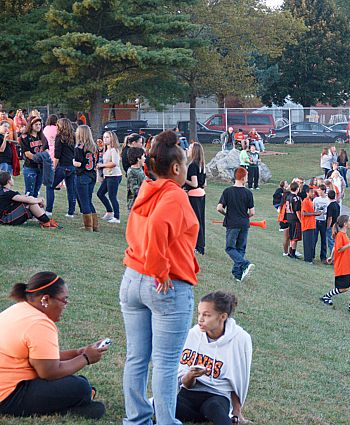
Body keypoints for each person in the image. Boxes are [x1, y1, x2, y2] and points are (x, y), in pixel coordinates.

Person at [120, 130, 200, 425]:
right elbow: (156, 228)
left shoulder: (147, 188)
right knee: (166, 363)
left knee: (137, 357)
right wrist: (160, 270)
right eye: (186, 164)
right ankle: (166, 421)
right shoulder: (175, 195)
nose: (187, 169)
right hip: (164, 285)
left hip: (132, 279)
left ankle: (137, 419)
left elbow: (142, 228)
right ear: (176, 168)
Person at [0, 272, 107, 419]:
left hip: (7, 387)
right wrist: (85, 358)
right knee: (81, 387)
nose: (65, 305)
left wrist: (77, 352)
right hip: (8, 396)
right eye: (64, 300)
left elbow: (41, 358)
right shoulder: (40, 323)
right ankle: (71, 405)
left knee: (79, 383)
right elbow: (49, 372)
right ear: (45, 299)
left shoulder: (19, 309)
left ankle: (76, 400)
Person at [176, 291, 252, 425]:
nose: (200, 319)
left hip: (217, 396)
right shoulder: (193, 334)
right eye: (199, 313)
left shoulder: (240, 339)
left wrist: (237, 411)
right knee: (163, 408)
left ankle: (212, 417)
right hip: (189, 394)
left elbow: (239, 379)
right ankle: (201, 417)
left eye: (206, 315)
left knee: (215, 409)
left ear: (223, 316)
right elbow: (184, 383)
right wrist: (191, 376)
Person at [217, 167, 255, 282]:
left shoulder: (227, 191)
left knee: (230, 247)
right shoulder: (248, 193)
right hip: (244, 224)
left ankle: (245, 264)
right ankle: (237, 275)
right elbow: (252, 212)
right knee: (240, 249)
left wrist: (227, 214)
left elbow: (219, 208)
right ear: (243, 178)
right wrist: (245, 218)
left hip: (232, 223)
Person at [321, 215, 350, 314]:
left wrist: (331, 256)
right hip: (342, 265)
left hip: (349, 265)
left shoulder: (344, 234)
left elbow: (334, 247)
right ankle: (326, 296)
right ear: (345, 224)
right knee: (343, 289)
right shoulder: (340, 235)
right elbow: (339, 248)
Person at [45, 118, 77, 218]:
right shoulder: (73, 137)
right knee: (71, 190)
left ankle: (49, 210)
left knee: (50, 186)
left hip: (62, 166)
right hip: (71, 167)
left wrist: (53, 168)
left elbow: (57, 155)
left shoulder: (59, 138)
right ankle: (71, 212)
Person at [73, 125, 99, 231]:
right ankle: (95, 225)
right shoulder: (94, 146)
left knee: (84, 201)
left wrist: (72, 162)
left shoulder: (79, 147)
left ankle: (88, 226)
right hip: (92, 175)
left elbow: (78, 163)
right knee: (88, 200)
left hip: (82, 175)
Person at [184, 142, 207, 255]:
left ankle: (197, 246)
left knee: (194, 222)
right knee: (200, 220)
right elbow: (204, 183)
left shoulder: (193, 165)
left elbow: (194, 183)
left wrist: (183, 179)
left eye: (190, 148)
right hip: (201, 194)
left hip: (194, 195)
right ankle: (200, 245)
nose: (188, 149)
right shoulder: (202, 164)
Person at [96, 130, 122, 224]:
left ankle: (117, 217)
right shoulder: (105, 150)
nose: (105, 139)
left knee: (112, 196)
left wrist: (102, 165)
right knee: (100, 193)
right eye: (104, 137)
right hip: (108, 176)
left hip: (114, 176)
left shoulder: (114, 150)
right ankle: (109, 211)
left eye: (107, 137)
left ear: (112, 138)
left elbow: (114, 163)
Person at [19, 117, 48, 198]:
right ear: (31, 125)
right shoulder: (24, 137)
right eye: (36, 124)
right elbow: (27, 154)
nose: (38, 126)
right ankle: (27, 210)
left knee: (36, 192)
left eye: (40, 124)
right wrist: (40, 158)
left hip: (41, 167)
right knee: (29, 192)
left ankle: (34, 210)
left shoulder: (42, 136)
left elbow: (47, 150)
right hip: (30, 167)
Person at [301, 186, 320, 262]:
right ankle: (308, 259)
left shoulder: (310, 201)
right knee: (308, 243)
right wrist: (314, 214)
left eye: (313, 192)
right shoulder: (305, 201)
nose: (313, 194)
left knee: (311, 242)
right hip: (307, 225)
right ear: (307, 193)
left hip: (312, 224)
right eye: (311, 192)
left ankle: (310, 258)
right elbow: (304, 213)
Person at [126, 147, 146, 212]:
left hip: (143, 203)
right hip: (135, 206)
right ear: (138, 158)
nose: (145, 158)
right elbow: (135, 190)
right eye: (143, 156)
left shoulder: (140, 169)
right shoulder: (131, 172)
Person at [313, 184, 330, 264]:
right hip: (316, 220)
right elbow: (313, 209)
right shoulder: (316, 199)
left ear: (323, 190)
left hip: (323, 221)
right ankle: (312, 255)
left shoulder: (327, 200)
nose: (318, 191)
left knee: (324, 240)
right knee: (314, 239)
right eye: (318, 190)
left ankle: (323, 257)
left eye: (319, 190)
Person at [325, 190, 340, 261]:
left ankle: (333, 257)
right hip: (336, 224)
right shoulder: (337, 205)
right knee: (335, 241)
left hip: (331, 226)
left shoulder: (330, 206)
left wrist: (328, 226)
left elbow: (329, 218)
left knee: (331, 242)